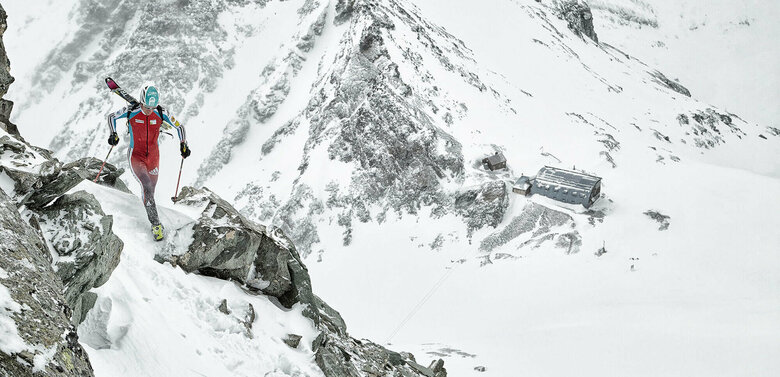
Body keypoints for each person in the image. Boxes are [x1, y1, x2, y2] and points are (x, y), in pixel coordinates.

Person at [106, 83, 190, 241]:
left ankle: (146, 205)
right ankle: (156, 225)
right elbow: (111, 117)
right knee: (147, 187)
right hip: (136, 156)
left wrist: (183, 144)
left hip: (153, 158)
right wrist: (113, 134)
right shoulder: (131, 111)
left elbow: (180, 127)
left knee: (151, 190)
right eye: (146, 107)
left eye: (152, 108)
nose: (149, 110)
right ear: (142, 102)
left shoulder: (160, 112)